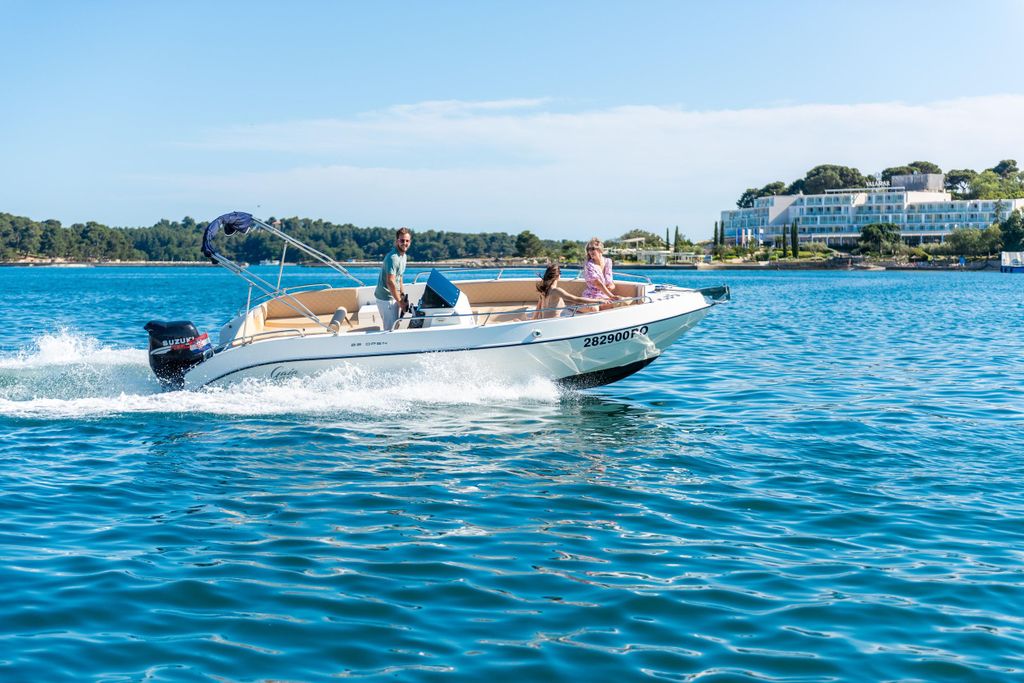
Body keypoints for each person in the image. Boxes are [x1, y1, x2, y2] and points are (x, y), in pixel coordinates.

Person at [533, 264, 606, 319]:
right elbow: (577, 299)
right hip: (555, 322)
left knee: (569, 307)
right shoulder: (556, 290)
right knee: (593, 308)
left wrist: (534, 319)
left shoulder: (544, 290)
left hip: (544, 320)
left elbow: (538, 308)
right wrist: (598, 300)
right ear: (558, 276)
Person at [374, 227, 411, 331]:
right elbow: (390, 281)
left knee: (395, 326)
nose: (405, 243)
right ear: (397, 241)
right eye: (402, 240)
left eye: (407, 241)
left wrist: (402, 295)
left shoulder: (403, 256)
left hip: (394, 296)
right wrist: (399, 302)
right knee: (390, 330)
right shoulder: (393, 258)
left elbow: (400, 277)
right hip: (386, 299)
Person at [581, 238, 620, 309]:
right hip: (592, 297)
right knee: (595, 308)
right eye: (588, 249)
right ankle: (575, 307)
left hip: (604, 296)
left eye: (592, 248)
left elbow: (609, 281)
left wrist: (611, 285)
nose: (590, 251)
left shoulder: (608, 261)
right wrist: (611, 296)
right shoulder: (589, 265)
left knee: (624, 301)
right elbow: (597, 283)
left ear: (600, 249)